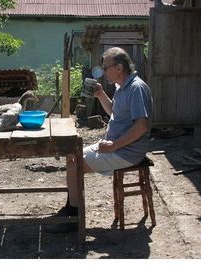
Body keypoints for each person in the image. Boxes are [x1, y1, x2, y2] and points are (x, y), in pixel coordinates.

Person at [45, 47, 153, 233]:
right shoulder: (122, 87)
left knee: (74, 164)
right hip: (116, 147)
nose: (103, 71)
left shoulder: (136, 88)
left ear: (119, 68)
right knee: (71, 156)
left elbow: (141, 126)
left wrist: (114, 145)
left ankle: (73, 215)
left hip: (127, 151)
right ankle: (72, 208)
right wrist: (101, 94)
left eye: (106, 67)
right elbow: (114, 112)